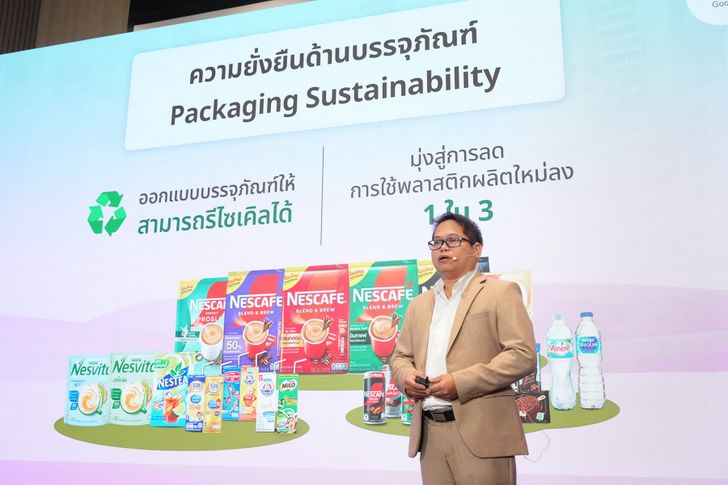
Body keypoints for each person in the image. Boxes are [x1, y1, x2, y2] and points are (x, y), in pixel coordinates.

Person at [390, 212, 537, 485]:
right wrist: (406, 377)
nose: (443, 248)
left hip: (483, 432)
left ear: (476, 249)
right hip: (429, 435)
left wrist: (460, 383)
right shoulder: (419, 304)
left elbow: (523, 355)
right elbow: (400, 357)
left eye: (453, 240)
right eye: (436, 242)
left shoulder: (501, 292)